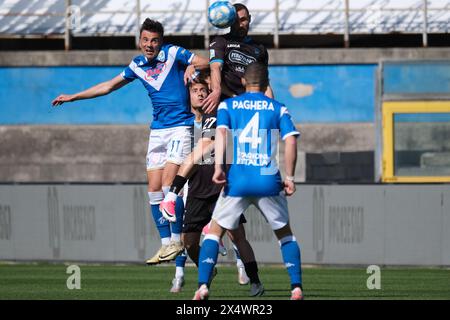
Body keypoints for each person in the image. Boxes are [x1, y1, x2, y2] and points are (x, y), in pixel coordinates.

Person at [51, 18, 209, 265]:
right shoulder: (137, 65)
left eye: (154, 40)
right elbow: (108, 86)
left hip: (180, 127)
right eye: (145, 40)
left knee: (169, 184)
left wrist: (194, 68)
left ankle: (178, 241)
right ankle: (166, 244)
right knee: (154, 190)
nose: (149, 44)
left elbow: (207, 61)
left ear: (161, 42)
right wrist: (74, 97)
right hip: (157, 130)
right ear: (139, 41)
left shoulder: (173, 53)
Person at [193, 62, 304, 300]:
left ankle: (203, 286)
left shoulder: (228, 105)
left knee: (214, 233)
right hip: (267, 179)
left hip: (239, 179)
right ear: (266, 83)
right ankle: (296, 288)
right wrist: (291, 177)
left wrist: (219, 167)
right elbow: (291, 141)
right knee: (285, 235)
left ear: (243, 81)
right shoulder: (278, 108)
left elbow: (220, 134)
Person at [161, 76, 263, 296]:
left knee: (237, 236)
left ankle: (254, 280)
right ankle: (207, 271)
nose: (201, 93)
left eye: (204, 89)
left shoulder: (222, 110)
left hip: (221, 186)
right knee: (189, 244)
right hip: (197, 188)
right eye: (195, 90)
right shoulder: (184, 123)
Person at [202, 3, 274, 114]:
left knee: (267, 130)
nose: (240, 25)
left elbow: (264, 83)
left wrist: (271, 108)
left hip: (250, 106)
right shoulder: (220, 41)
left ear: (249, 19)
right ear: (229, 21)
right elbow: (215, 67)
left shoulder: (260, 49)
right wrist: (216, 91)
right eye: (235, 21)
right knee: (213, 131)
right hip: (225, 103)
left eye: (243, 20)